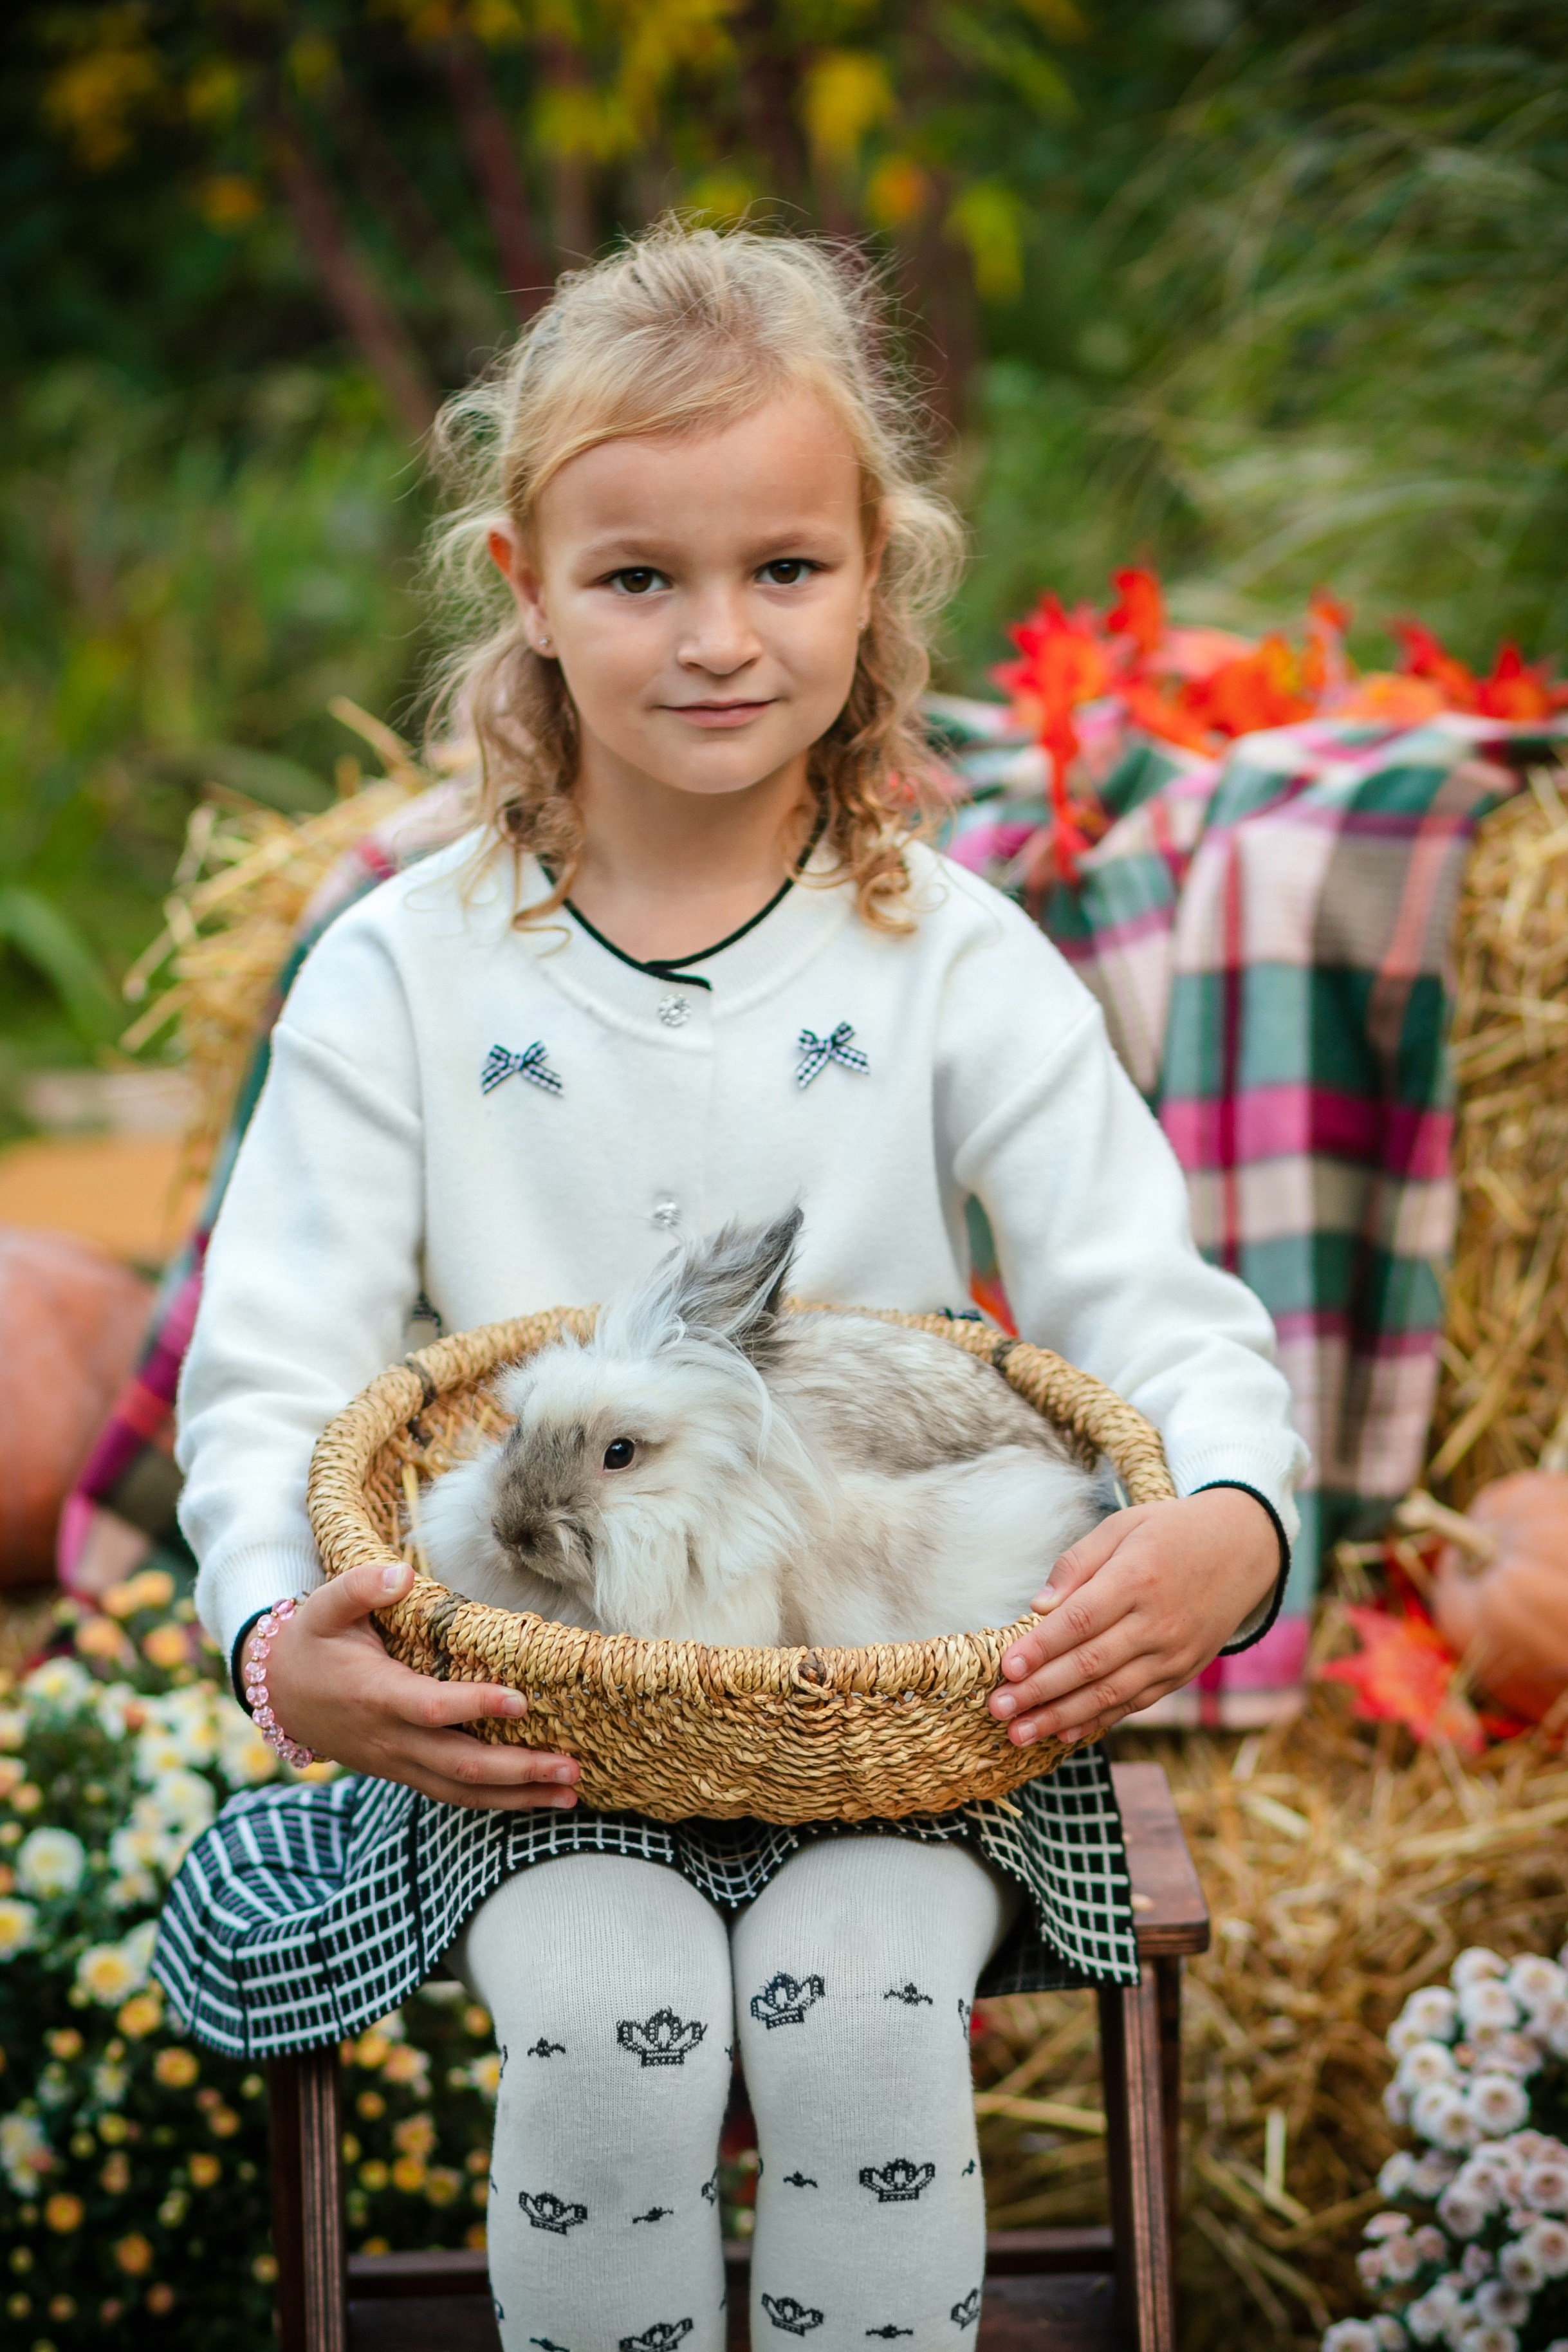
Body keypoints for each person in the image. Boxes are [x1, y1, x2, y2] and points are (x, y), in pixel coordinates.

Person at [156, 222, 1305, 2352]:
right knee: (608, 2036)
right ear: (523, 585)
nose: (717, 639)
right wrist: (271, 1637)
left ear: (879, 576)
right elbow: (271, 1378)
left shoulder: (949, 958)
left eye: (784, 567)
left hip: (894, 1712)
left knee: (862, 2023)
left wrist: (1227, 1519)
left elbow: (1153, 1306)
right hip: (541, 1731)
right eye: (636, 579)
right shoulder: (407, 969)